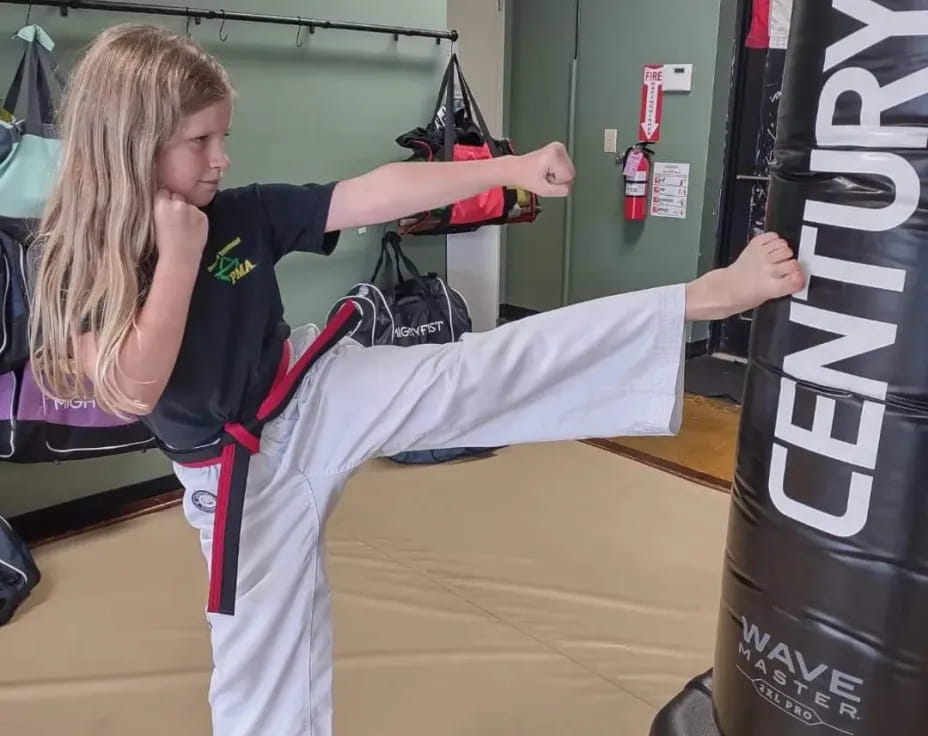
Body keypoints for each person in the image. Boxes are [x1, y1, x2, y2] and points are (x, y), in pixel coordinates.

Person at [28, 24, 804, 736]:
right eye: (201, 141)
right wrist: (181, 256)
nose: (222, 158)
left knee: (481, 366)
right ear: (132, 142)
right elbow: (132, 387)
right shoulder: (73, 262)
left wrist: (509, 167)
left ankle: (695, 299)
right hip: (233, 477)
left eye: (222, 137)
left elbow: (376, 191)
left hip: (310, 391)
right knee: (259, 660)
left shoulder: (241, 213)